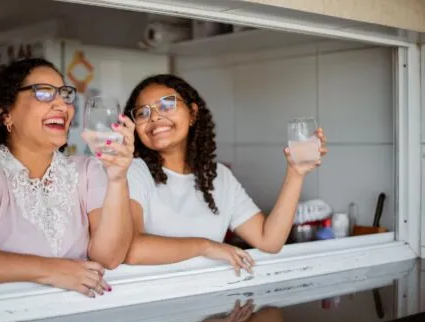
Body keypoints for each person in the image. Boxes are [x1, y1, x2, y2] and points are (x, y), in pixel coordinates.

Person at [0, 58, 135, 297]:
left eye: (65, 95)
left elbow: (109, 257)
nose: (62, 105)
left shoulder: (87, 171)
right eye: (44, 93)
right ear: (6, 114)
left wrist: (118, 179)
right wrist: (52, 270)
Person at [123, 74, 327, 275]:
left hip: (209, 298)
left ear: (193, 113)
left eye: (167, 105)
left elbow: (269, 240)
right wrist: (205, 246)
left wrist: (295, 173)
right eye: (142, 113)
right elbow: (132, 249)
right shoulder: (132, 172)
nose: (155, 117)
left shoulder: (219, 176)